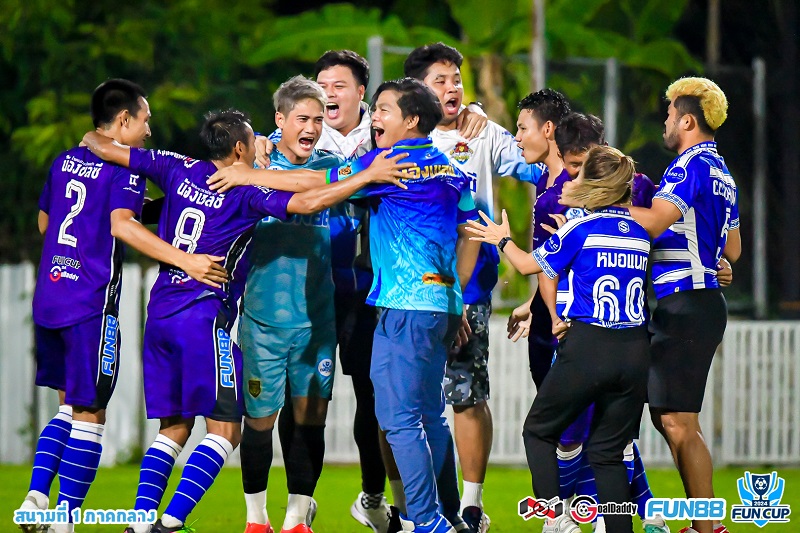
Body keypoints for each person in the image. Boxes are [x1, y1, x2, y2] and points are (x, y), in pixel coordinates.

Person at [80, 108, 412, 533]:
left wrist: (90, 143)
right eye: (255, 140)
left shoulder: (176, 166)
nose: (261, 146)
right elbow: (307, 201)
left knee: (174, 428)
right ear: (240, 148)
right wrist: (364, 176)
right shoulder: (245, 191)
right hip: (204, 316)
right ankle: (171, 522)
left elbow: (102, 144)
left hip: (159, 315)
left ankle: (141, 524)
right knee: (226, 431)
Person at [18, 79, 225, 533]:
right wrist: (185, 259)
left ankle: (36, 494)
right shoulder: (125, 171)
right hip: (91, 304)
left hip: (50, 296)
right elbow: (122, 226)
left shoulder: (64, 160)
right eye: (145, 120)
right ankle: (64, 521)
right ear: (125, 119)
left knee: (68, 407)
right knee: (91, 414)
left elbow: (45, 223)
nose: (149, 130)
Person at [467, 145, 652, 533]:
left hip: (590, 346)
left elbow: (526, 265)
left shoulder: (580, 228)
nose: (575, 179)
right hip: (636, 351)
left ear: (596, 184)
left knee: (538, 431)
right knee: (607, 453)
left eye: (582, 173)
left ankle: (556, 520)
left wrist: (502, 239)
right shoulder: (640, 234)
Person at [325, 77, 480, 533]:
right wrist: (457, 292)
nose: (374, 116)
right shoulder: (450, 168)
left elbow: (313, 182)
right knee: (430, 416)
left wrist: (248, 177)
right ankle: (451, 515)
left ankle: (427, 521)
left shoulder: (389, 163)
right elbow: (472, 230)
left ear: (411, 120)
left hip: (406, 304)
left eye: (383, 109)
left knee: (397, 418)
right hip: (441, 306)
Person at [402, 42, 544, 532]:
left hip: (470, 290)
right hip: (407, 290)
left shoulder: (482, 134)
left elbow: (542, 165)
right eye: (440, 80)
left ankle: (471, 505)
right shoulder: (396, 135)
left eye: (457, 80)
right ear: (417, 89)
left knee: (466, 393)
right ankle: (412, 504)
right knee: (407, 401)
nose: (453, 89)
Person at [627, 77, 740, 533]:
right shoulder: (722, 171)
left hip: (688, 303)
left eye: (671, 114)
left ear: (688, 121)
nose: (666, 122)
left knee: (678, 422)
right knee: (668, 417)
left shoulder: (688, 164)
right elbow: (733, 249)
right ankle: (702, 524)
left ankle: (707, 528)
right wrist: (715, 262)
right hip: (698, 301)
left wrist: (598, 206)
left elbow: (655, 221)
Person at [547, 112, 667, 533]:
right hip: (577, 328)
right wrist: (545, 311)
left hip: (610, 332)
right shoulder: (553, 196)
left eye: (584, 165)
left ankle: (594, 515)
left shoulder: (638, 187)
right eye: (572, 166)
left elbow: (670, 233)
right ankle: (573, 514)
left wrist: (713, 262)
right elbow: (546, 266)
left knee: (609, 437)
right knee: (576, 435)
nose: (577, 175)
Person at [238, 76, 345, 533]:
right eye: (302, 119)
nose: (312, 128)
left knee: (310, 422)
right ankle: (256, 519)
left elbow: (338, 186)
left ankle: (296, 520)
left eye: (318, 120)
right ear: (280, 120)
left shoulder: (332, 166)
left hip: (316, 322)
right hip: (262, 321)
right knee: (260, 422)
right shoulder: (251, 164)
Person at [502, 89, 571, 390]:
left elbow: (547, 263)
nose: (517, 138)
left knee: (563, 414)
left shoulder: (574, 187)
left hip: (568, 319)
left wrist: (502, 240)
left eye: (522, 128)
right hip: (548, 312)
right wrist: (535, 304)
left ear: (548, 129)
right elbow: (553, 261)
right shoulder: (545, 179)